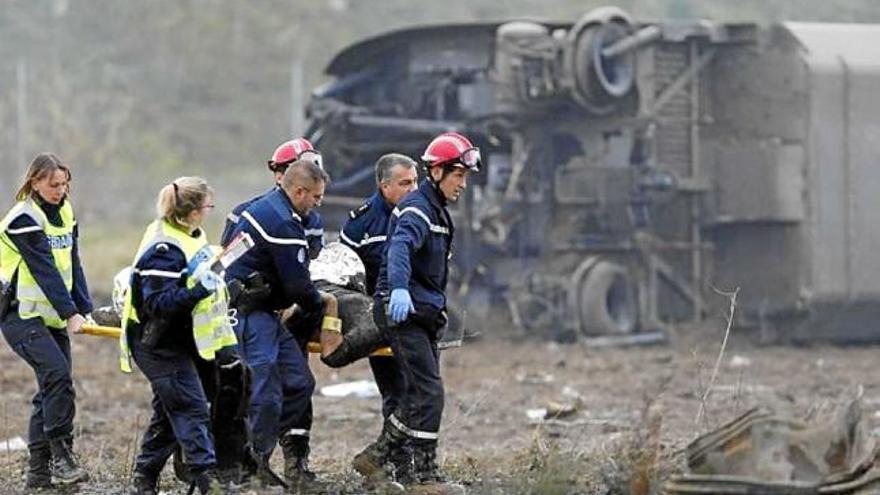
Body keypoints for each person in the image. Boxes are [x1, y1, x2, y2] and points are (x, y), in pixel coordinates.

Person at [374, 132, 479, 492]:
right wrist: (399, 288)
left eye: (464, 177)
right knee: (430, 392)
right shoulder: (418, 209)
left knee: (420, 393)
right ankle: (425, 476)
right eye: (458, 176)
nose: (462, 185)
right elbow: (400, 247)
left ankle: (378, 455)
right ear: (437, 172)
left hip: (422, 313)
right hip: (404, 314)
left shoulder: (436, 211)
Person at [118, 177, 237, 495]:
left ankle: (144, 475)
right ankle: (206, 479)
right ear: (194, 209)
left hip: (185, 337)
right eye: (208, 205)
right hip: (156, 340)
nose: (210, 211)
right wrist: (199, 291)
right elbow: (158, 304)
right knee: (191, 406)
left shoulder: (190, 234)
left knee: (171, 408)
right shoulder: (163, 248)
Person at [224, 159, 339, 486]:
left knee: (300, 381)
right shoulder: (282, 222)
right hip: (248, 315)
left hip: (267, 313)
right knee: (264, 391)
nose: (318, 204)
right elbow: (299, 287)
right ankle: (249, 463)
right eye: (315, 197)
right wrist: (325, 304)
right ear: (299, 191)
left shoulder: (262, 208)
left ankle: (256, 454)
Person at [0, 153, 92, 489]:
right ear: (35, 182)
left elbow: (73, 263)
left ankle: (38, 475)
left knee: (51, 387)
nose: (60, 190)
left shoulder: (65, 211)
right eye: (53, 185)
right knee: (56, 377)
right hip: (20, 315)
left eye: (65, 184)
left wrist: (85, 307)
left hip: (50, 316)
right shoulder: (23, 218)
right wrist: (70, 313)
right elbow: (45, 270)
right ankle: (63, 458)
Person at [339, 153, 418, 478]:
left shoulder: (423, 212)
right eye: (404, 183)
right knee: (395, 392)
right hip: (380, 319)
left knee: (421, 392)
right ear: (384, 186)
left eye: (415, 182)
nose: (412, 189)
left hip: (417, 317)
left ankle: (408, 462)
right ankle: (401, 465)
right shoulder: (361, 222)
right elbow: (343, 274)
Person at [220, 137, 325, 260]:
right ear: (280, 177)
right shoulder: (241, 215)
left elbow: (315, 264)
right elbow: (227, 263)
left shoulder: (314, 222)